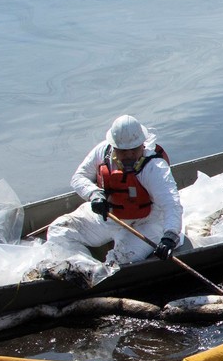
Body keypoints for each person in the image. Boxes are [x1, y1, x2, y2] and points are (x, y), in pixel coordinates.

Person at [45, 114, 184, 268]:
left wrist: (169, 237)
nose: (129, 156)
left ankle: (106, 270)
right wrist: (94, 194)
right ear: (114, 146)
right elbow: (78, 177)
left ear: (142, 145)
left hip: (146, 223)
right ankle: (82, 269)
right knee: (59, 230)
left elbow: (172, 205)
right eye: (123, 151)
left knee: (118, 263)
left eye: (133, 150)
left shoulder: (155, 167)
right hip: (109, 218)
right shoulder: (102, 152)